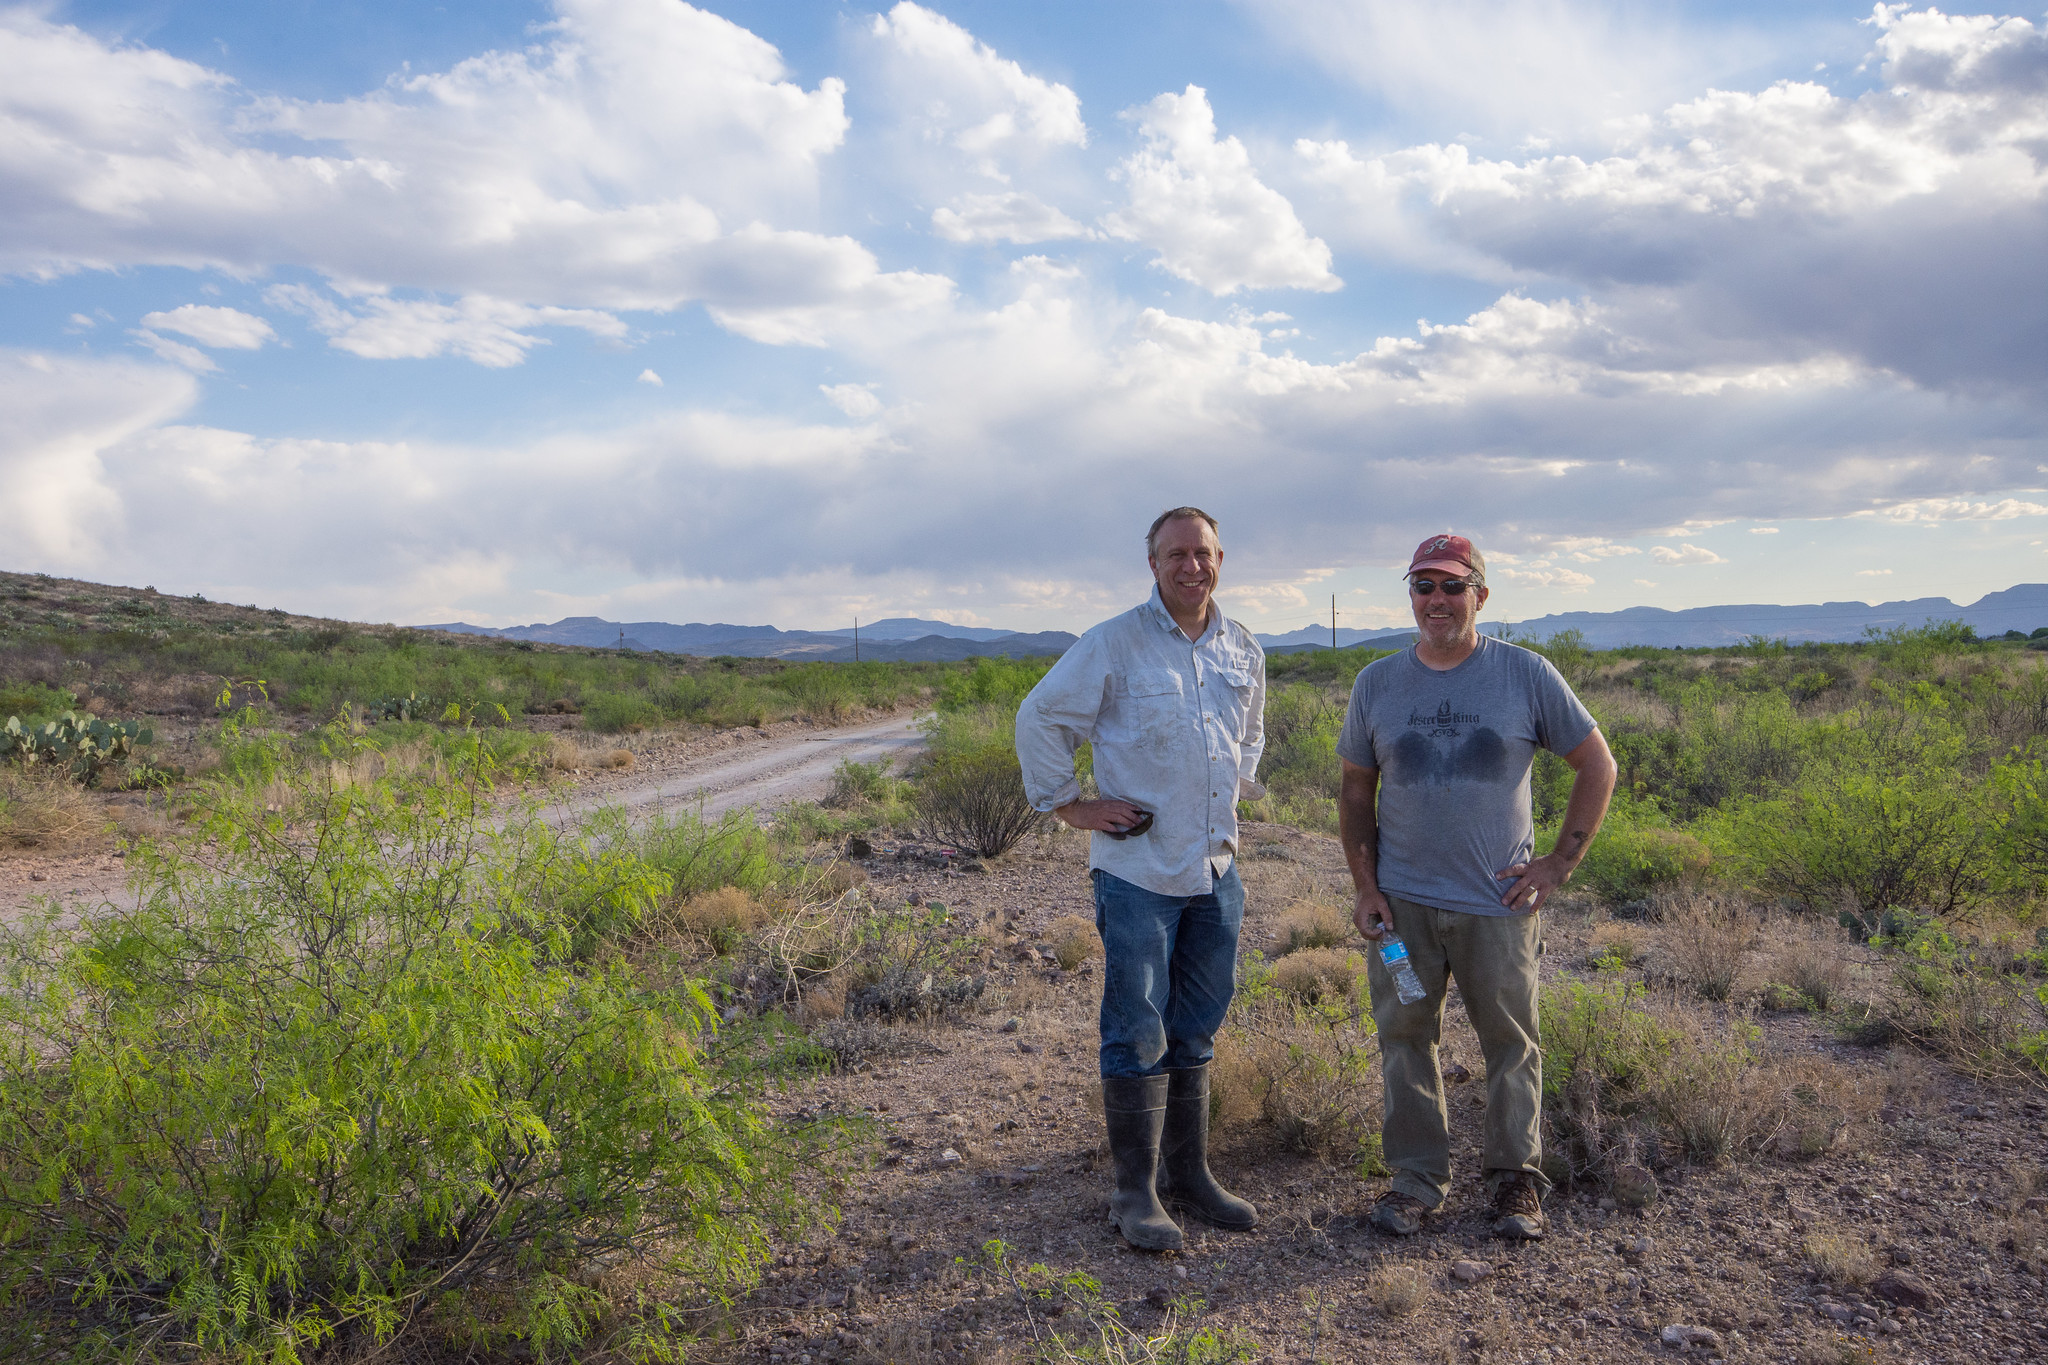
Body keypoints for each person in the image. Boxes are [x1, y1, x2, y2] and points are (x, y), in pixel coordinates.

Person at [1337, 533, 1616, 1241]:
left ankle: (1515, 1181)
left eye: (1452, 586)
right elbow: (1353, 790)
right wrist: (1366, 887)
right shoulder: (1377, 683)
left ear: (1480, 596)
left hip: (1498, 907)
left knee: (1511, 1040)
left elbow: (1597, 765)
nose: (1436, 599)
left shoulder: (1525, 674)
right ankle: (1414, 1180)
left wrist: (1558, 863)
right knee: (1405, 1034)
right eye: (1423, 585)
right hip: (1402, 914)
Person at [1015, 507, 1267, 1252]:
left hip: (1215, 869)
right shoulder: (1113, 643)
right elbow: (1039, 716)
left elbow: (1249, 730)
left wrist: (1233, 788)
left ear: (1222, 557)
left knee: (1197, 1023)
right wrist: (1071, 805)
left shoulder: (1241, 647)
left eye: (1203, 552)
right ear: (1151, 562)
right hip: (1138, 873)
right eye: (1175, 554)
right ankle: (1136, 1192)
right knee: (1135, 1028)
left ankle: (1190, 1176)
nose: (1191, 566)